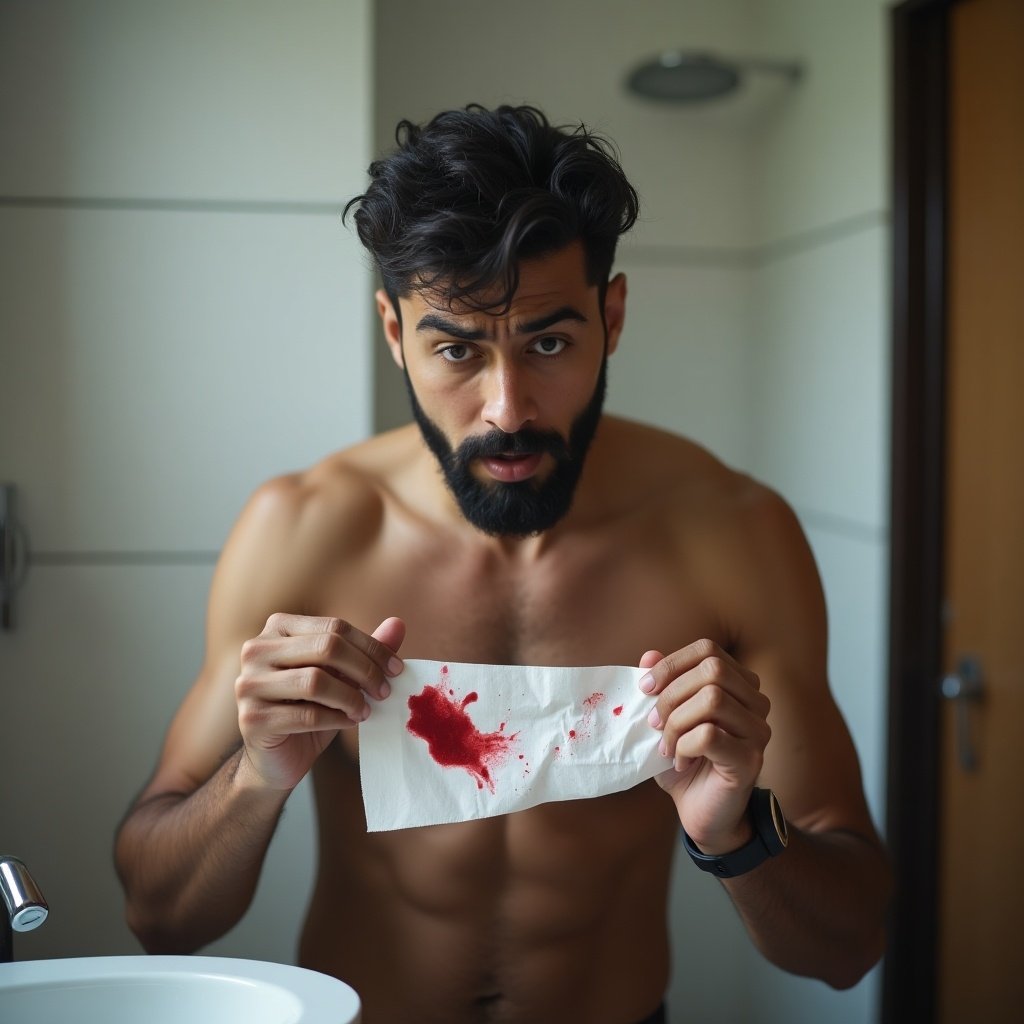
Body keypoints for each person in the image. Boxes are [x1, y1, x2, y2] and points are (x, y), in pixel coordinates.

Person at [114, 105, 891, 1024]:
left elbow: (849, 950)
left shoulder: (733, 533)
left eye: (549, 343)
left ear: (613, 315)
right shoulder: (303, 531)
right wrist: (255, 777)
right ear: (395, 333)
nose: (507, 408)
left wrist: (737, 834)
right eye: (456, 348)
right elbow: (158, 919)